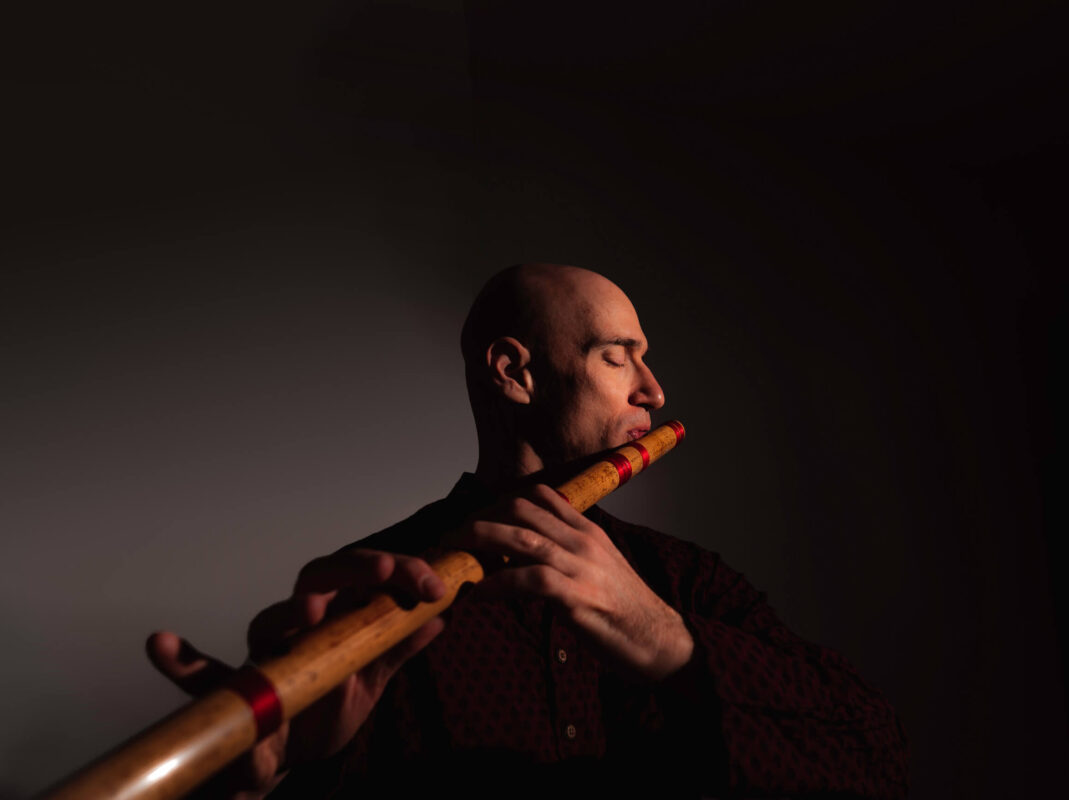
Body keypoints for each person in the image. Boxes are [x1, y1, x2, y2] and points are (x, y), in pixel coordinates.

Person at [147, 263, 908, 798]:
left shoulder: (685, 583)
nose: (654, 389)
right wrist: (272, 780)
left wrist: (665, 640)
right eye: (620, 357)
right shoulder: (376, 580)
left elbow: (876, 758)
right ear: (514, 373)